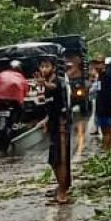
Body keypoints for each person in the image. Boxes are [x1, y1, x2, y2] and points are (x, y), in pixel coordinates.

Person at [37, 57, 71, 204]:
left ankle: (63, 193)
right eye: (41, 67)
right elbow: (52, 107)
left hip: (61, 126)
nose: (43, 69)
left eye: (46, 66)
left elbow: (54, 87)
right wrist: (45, 121)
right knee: (53, 160)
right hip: (53, 124)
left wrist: (43, 83)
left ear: (54, 68)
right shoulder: (47, 86)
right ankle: (61, 186)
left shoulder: (58, 82)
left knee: (61, 160)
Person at [92, 56, 111, 149]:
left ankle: (109, 150)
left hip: (107, 106)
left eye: (98, 64)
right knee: (104, 130)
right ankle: (106, 149)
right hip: (100, 107)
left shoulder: (108, 76)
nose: (96, 66)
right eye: (95, 64)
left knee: (109, 130)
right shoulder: (99, 77)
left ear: (103, 64)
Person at [67, 58, 92, 158]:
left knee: (81, 125)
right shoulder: (65, 71)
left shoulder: (77, 69)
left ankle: (80, 150)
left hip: (76, 87)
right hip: (68, 91)